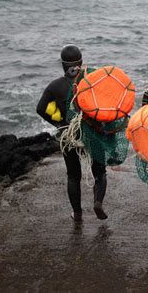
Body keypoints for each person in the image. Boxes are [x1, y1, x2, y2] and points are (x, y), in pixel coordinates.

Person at [36, 45, 108, 222]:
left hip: (69, 135)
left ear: (62, 65)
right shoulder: (92, 81)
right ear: (81, 63)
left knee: (73, 176)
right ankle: (98, 202)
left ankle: (77, 214)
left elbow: (40, 109)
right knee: (99, 173)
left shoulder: (55, 86)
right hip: (93, 133)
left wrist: (59, 124)